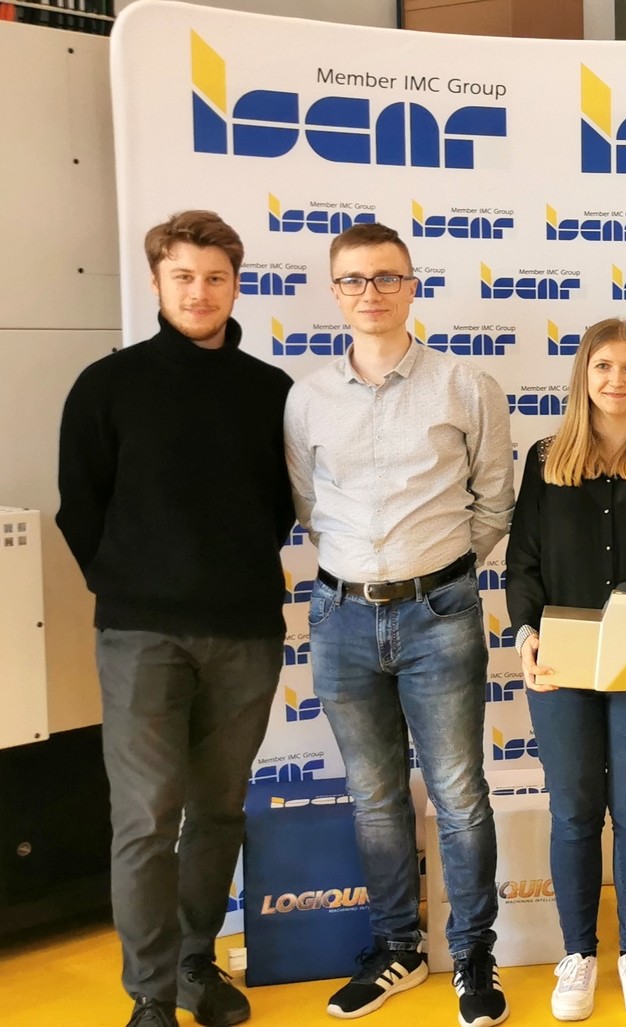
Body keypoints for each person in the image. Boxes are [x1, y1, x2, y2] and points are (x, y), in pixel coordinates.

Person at [57, 210, 293, 1027]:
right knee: (147, 818)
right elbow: (79, 506)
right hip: (140, 634)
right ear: (156, 282)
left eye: (215, 277)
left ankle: (196, 965)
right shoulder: (107, 385)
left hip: (246, 632)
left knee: (218, 810)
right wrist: (133, 587)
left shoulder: (272, 391)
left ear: (237, 285)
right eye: (184, 276)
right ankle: (151, 994)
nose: (200, 291)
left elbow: (280, 507)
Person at [284, 222, 514, 1027]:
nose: (371, 293)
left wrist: (435, 573)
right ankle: (397, 948)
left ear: (413, 285)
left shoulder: (465, 385)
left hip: (439, 613)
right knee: (376, 797)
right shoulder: (306, 398)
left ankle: (474, 952)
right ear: (334, 291)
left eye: (387, 277)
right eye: (353, 279)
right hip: (341, 616)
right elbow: (309, 505)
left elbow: (494, 501)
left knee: (459, 793)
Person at [505, 318, 626, 1022]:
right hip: (563, 659)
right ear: (582, 376)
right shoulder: (546, 458)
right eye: (603, 367)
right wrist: (525, 636)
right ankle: (579, 955)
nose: (616, 380)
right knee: (574, 811)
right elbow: (523, 561)